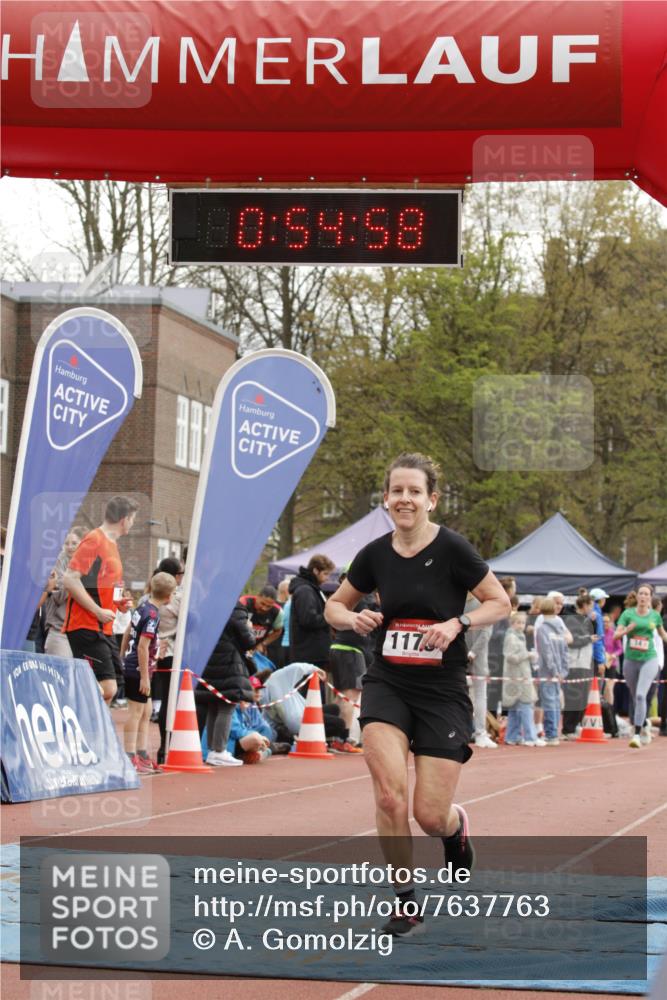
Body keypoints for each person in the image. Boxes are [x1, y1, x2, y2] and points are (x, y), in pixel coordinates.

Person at [324, 452, 511, 937]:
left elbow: (500, 601)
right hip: (388, 681)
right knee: (389, 796)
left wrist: (458, 622)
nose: (404, 499)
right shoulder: (374, 554)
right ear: (386, 499)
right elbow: (333, 607)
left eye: (414, 491)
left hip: (441, 690)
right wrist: (353, 617)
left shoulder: (453, 549)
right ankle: (406, 903)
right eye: (397, 491)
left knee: (428, 814)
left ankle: (455, 829)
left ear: (431, 498)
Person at [63, 496, 139, 704]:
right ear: (124, 519)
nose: (132, 524)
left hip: (104, 627)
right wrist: (97, 610)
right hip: (85, 624)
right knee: (107, 687)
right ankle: (67, 707)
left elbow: (107, 585)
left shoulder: (112, 544)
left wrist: (119, 603)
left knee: (111, 688)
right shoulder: (94, 540)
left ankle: (94, 734)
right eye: (132, 519)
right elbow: (70, 579)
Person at [121, 572, 177, 773]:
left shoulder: (142, 606)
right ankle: (128, 755)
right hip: (139, 669)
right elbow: (142, 647)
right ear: (170, 597)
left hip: (139, 665)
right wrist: (144, 676)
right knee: (136, 712)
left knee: (146, 712)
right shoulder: (153, 615)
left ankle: (141, 752)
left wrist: (123, 654)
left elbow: (129, 630)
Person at [194, 601, 256, 767]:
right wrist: (250, 628)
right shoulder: (235, 609)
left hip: (209, 659)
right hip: (229, 662)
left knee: (213, 705)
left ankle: (213, 750)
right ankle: (219, 750)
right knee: (226, 707)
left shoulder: (207, 605)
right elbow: (248, 641)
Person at [615, 584, 667, 748]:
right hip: (631, 660)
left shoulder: (655, 616)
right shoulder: (627, 614)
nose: (643, 596)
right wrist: (626, 631)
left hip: (650, 659)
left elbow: (662, 634)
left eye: (646, 594)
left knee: (640, 695)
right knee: (635, 696)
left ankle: (637, 734)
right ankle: (644, 725)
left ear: (650, 598)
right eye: (641, 594)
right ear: (637, 597)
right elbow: (616, 635)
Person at [329, 570, 373, 742]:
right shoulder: (359, 598)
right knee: (350, 695)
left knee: (342, 695)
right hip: (351, 649)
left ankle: (335, 735)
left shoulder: (339, 599)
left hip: (340, 647)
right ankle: (344, 738)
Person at [502, 612, 544, 746]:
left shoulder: (519, 637)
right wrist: (528, 654)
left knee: (515, 708)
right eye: (518, 622)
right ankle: (530, 737)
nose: (521, 625)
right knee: (526, 706)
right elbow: (510, 657)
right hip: (517, 677)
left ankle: (512, 736)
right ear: (512, 623)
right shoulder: (512, 637)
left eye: (523, 623)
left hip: (519, 676)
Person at [535, 596, 571, 745]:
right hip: (559, 671)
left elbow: (546, 652)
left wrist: (555, 670)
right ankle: (554, 732)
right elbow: (565, 651)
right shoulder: (560, 627)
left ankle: (551, 734)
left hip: (547, 671)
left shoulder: (542, 628)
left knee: (549, 701)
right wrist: (563, 671)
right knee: (555, 701)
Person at [288, 554, 336, 668]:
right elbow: (308, 620)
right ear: (315, 570)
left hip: (312, 653)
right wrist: (329, 616)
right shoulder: (305, 590)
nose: (327, 578)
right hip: (309, 655)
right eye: (325, 574)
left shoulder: (311, 589)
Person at [42, 530, 81, 657]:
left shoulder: (87, 566)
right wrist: (73, 581)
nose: (70, 547)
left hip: (82, 632)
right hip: (60, 631)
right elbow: (57, 596)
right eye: (67, 543)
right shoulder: (55, 566)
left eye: (74, 543)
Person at [465, 595, 496, 749]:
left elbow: (486, 633)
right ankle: (466, 732)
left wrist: (472, 653)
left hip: (477, 659)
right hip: (459, 657)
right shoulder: (456, 601)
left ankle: (480, 733)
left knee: (480, 697)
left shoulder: (483, 604)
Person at [561, 595, 594, 738]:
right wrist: (588, 639)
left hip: (585, 663)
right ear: (585, 605)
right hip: (575, 663)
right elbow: (572, 641)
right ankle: (568, 728)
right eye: (591, 605)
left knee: (583, 697)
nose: (592, 609)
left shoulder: (586, 620)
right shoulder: (572, 619)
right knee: (574, 696)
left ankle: (575, 726)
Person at [240, 586, 284, 664]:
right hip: (238, 645)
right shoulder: (244, 603)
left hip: (254, 649)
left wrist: (263, 644)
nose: (264, 608)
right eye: (262, 603)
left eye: (269, 606)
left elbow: (278, 631)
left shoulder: (277, 612)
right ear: (257, 596)